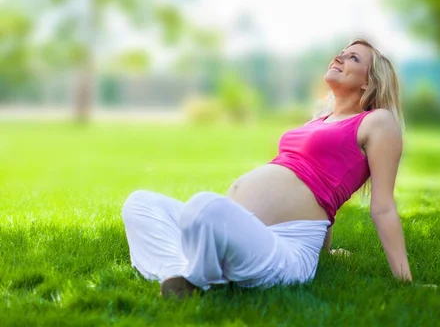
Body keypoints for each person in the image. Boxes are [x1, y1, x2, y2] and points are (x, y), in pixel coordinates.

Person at [122, 38, 412, 298]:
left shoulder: (377, 121)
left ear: (369, 82)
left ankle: (202, 277)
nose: (339, 58)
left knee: (205, 208)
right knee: (140, 203)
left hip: (285, 247)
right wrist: (329, 250)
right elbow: (321, 185)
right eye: (341, 53)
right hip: (245, 232)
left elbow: (383, 207)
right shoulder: (317, 121)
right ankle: (181, 277)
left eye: (353, 58)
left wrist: (405, 280)